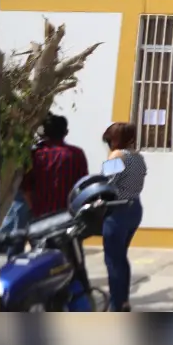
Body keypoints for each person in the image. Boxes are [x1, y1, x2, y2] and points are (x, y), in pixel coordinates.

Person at [100, 122, 147, 312]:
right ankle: (124, 300)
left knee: (113, 259)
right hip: (134, 207)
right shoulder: (139, 158)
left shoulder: (117, 156)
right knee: (121, 257)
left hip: (116, 210)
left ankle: (116, 304)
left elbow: (105, 183)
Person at [19, 114, 89, 219]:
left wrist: (34, 210)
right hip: (66, 215)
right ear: (66, 132)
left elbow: (26, 187)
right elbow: (83, 184)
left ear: (44, 132)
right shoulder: (77, 154)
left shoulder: (36, 154)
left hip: (40, 216)